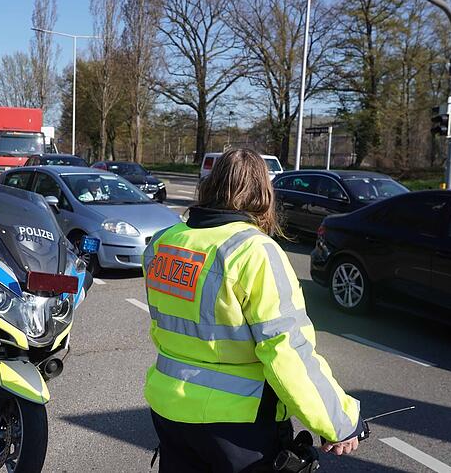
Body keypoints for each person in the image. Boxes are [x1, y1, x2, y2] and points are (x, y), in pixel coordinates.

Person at [142, 149, 362, 473]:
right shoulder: (254, 251)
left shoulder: (165, 242)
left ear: (210, 186)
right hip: (238, 424)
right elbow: (288, 352)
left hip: (168, 409)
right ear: (263, 194)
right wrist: (339, 422)